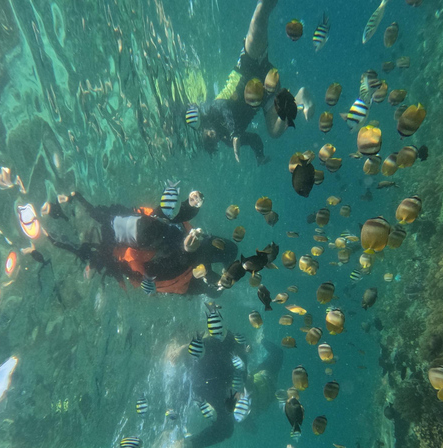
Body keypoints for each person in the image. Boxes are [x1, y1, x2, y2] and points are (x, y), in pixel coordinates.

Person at [43, 190, 236, 295]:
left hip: (191, 245)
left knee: (231, 250)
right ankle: (216, 286)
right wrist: (186, 251)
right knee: (216, 290)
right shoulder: (128, 260)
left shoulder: (128, 218)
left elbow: (164, 212)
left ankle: (223, 273)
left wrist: (74, 199)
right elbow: (163, 274)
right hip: (183, 278)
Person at [199, 0, 313, 165]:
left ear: (204, 128)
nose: (212, 137)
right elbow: (254, 139)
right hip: (264, 93)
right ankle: (299, 98)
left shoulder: (211, 112)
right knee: (274, 132)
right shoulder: (230, 141)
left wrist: (235, 133)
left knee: (258, 22)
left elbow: (222, 106)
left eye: (207, 136)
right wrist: (259, 155)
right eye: (212, 142)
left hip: (246, 71)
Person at [170, 334, 283, 448]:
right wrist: (260, 339)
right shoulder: (264, 372)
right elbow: (278, 354)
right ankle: (187, 349)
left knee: (227, 428)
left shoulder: (240, 400)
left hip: (216, 390)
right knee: (230, 353)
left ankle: (188, 445)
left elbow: (241, 420)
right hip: (219, 382)